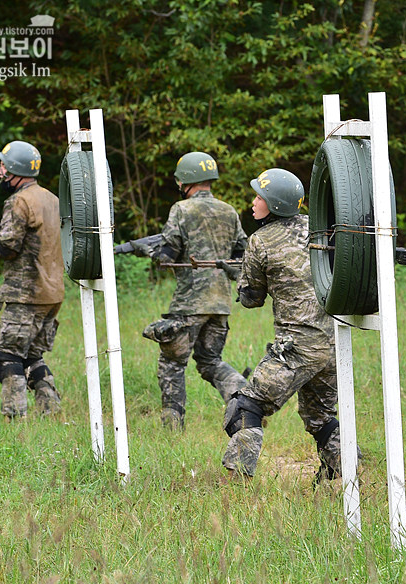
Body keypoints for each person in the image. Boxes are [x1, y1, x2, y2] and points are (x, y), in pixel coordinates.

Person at [221, 168, 342, 483]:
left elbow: (251, 299)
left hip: (297, 349)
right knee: (320, 419)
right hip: (333, 345)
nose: (253, 202)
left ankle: (236, 483)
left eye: (259, 197)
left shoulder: (259, 240)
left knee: (245, 407)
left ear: (273, 204)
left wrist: (239, 272)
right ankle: (342, 475)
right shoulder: (320, 230)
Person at [116, 152, 249, 430]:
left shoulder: (181, 209)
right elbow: (242, 254)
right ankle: (245, 400)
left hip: (189, 303)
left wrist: (146, 248)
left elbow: (168, 255)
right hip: (221, 304)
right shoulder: (229, 211)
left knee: (172, 364)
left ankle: (172, 428)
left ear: (186, 180)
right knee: (211, 361)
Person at [0, 140, 63, 420]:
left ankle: (14, 422)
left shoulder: (18, 201)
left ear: (14, 170)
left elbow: (7, 247)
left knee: (8, 357)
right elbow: (33, 239)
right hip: (52, 293)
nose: (0, 171)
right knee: (33, 357)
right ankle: (51, 412)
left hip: (25, 294)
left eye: (3, 166)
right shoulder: (51, 198)